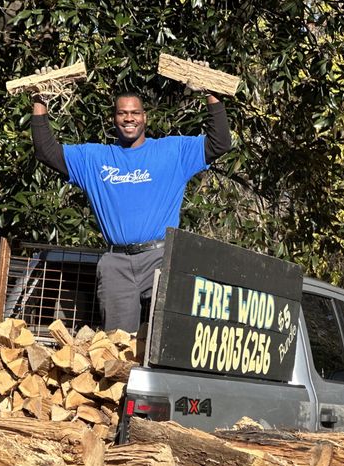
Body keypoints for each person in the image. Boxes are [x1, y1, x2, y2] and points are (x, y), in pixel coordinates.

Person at [30, 72, 232, 332]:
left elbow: (219, 143)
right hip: (117, 264)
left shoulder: (173, 152)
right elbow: (46, 152)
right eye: (122, 113)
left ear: (145, 117)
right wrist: (40, 99)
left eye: (135, 113)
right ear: (114, 119)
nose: (129, 118)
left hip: (161, 257)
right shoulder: (94, 159)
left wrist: (210, 91)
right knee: (118, 342)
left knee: (172, 333)